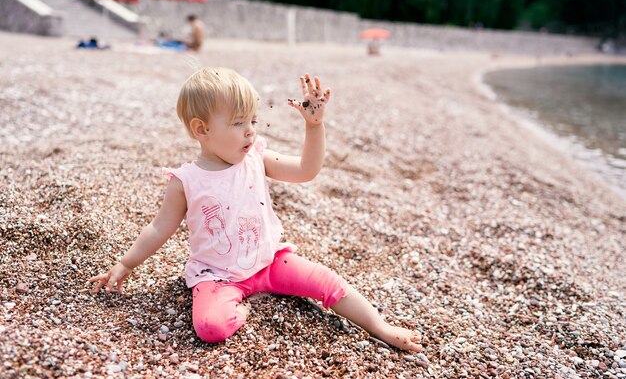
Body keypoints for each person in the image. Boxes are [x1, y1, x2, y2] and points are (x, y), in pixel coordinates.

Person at [88, 68, 423, 352]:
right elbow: (159, 229)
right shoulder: (186, 181)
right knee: (210, 328)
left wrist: (314, 126)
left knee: (328, 283)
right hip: (218, 275)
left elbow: (307, 170)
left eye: (253, 120)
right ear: (201, 130)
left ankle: (379, 327)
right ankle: (244, 307)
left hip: (270, 260)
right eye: (237, 123)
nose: (250, 130)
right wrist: (126, 264)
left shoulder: (256, 157)